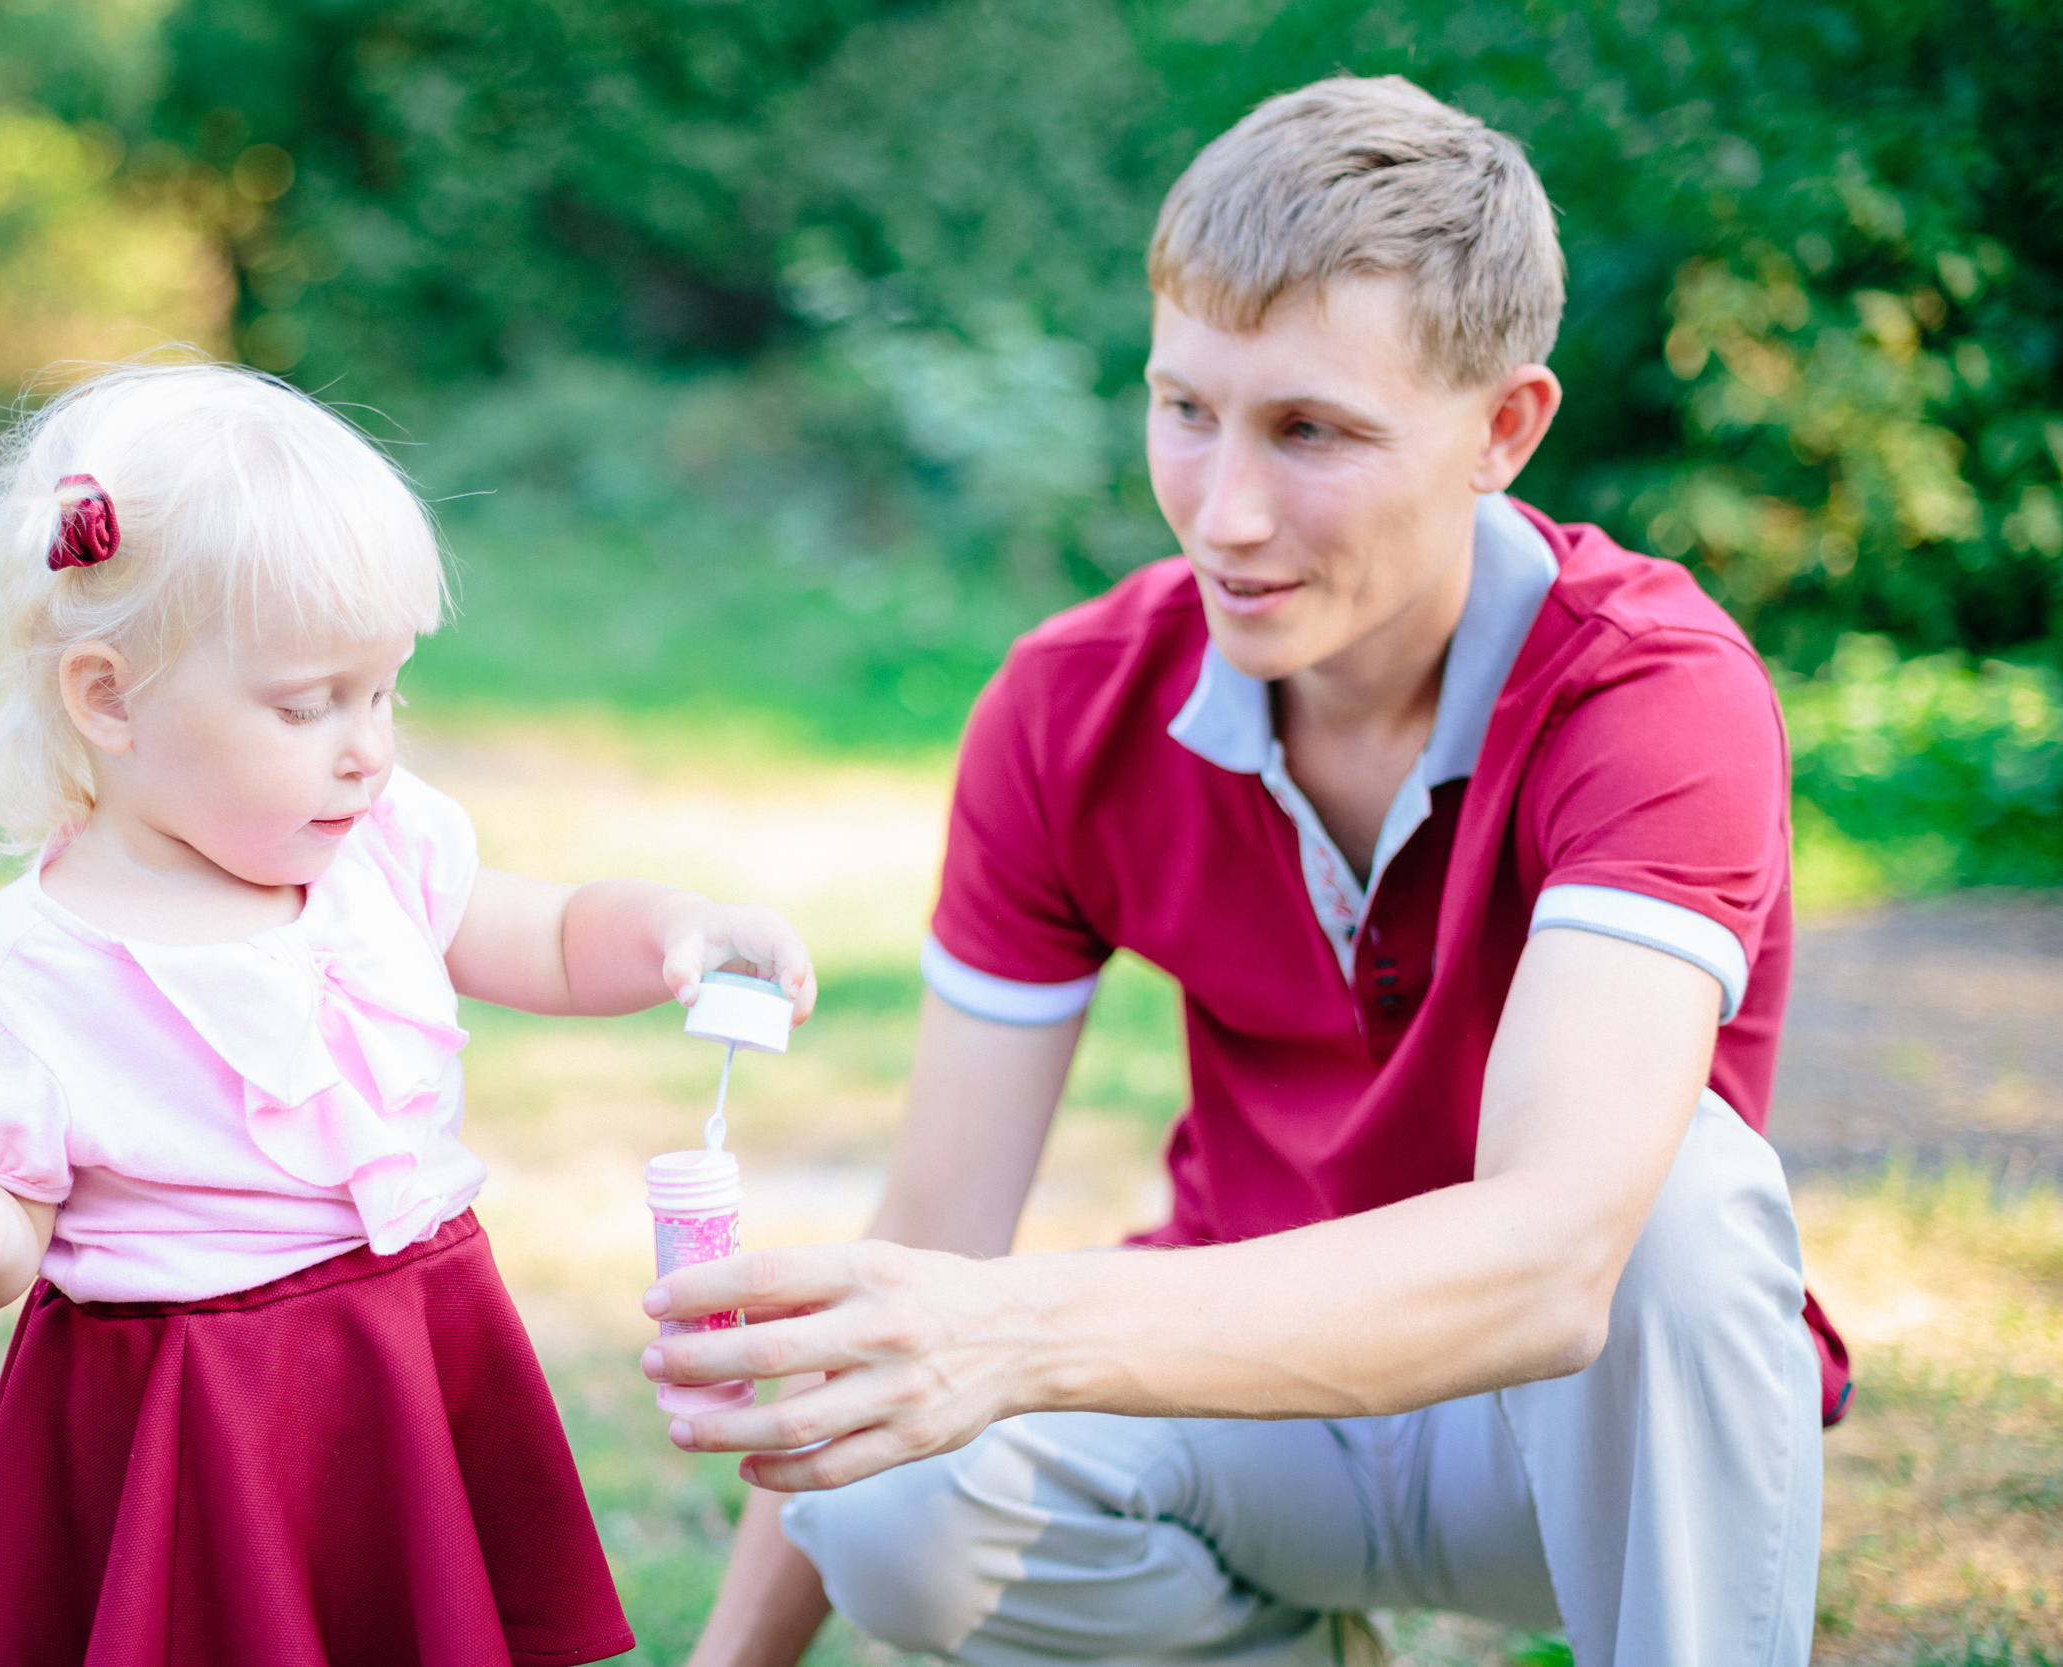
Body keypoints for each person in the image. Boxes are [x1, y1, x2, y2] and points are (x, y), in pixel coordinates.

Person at [649, 76, 1847, 1667]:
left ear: (1505, 428)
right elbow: (934, 1234)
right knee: (880, 1491)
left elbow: (1554, 1268)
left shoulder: (1649, 691)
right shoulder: (1069, 706)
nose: (1225, 512)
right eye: (1185, 408)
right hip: (1261, 1413)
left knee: (1677, 1204)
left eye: (1312, 431)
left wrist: (1003, 1333)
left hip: (1573, 1451)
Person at [0, 361, 813, 1666]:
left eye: (384, 691)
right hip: (201, 1403)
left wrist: (679, 933)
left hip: (408, 1342)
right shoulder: (27, 977)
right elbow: (9, 1216)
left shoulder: (382, 848)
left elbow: (557, 937)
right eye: (309, 706)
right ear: (110, 697)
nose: (369, 747)